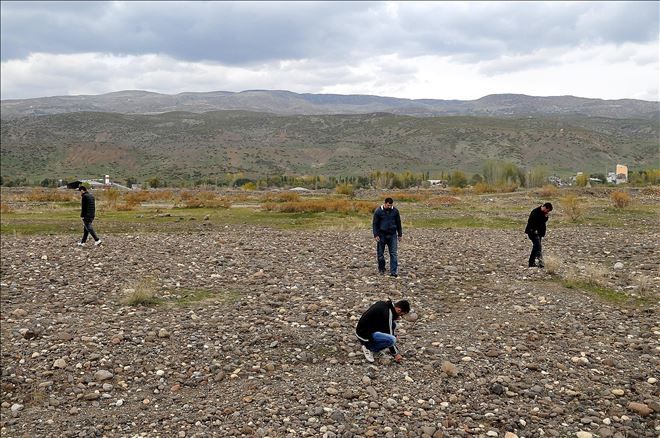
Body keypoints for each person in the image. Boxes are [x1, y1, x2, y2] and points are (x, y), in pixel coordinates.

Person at [355, 299, 410, 363]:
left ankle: (369, 344)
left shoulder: (384, 304)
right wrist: (396, 354)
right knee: (392, 340)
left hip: (361, 331)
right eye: (401, 314)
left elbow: (382, 321)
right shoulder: (388, 314)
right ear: (399, 310)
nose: (400, 317)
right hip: (365, 335)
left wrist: (394, 318)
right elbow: (390, 334)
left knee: (393, 325)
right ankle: (370, 348)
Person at [372, 197, 402, 277]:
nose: (389, 207)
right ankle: (382, 268)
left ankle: (393, 271)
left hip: (392, 235)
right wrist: (375, 234)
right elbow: (375, 224)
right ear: (385, 203)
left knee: (393, 253)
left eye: (391, 205)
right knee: (380, 254)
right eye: (388, 205)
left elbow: (398, 223)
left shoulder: (395, 211)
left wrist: (400, 234)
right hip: (381, 235)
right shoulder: (378, 211)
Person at [525, 202, 552, 267]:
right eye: (547, 210)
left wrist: (546, 217)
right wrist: (534, 231)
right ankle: (541, 263)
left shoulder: (543, 213)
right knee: (538, 247)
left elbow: (543, 222)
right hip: (533, 233)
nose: (547, 212)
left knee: (535, 247)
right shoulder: (535, 212)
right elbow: (533, 222)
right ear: (545, 207)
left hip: (539, 233)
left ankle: (531, 263)